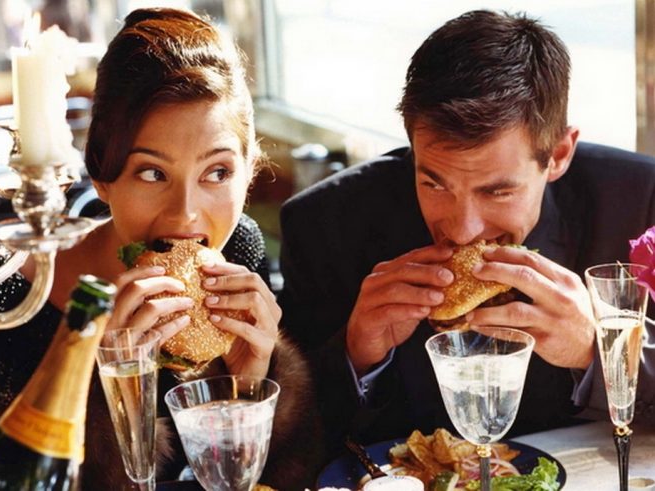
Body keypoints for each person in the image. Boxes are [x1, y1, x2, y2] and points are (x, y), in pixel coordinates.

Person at [0, 8, 321, 489]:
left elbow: (277, 477)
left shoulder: (238, 246)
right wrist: (101, 378)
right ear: (101, 173)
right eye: (152, 173)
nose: (186, 214)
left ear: (249, 170)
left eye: (218, 173)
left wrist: (250, 389)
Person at [279, 9, 655, 458]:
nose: (462, 230)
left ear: (557, 154)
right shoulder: (326, 224)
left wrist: (601, 351)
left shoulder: (638, 203)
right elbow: (285, 449)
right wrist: (356, 354)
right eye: (434, 182)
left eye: (497, 191)